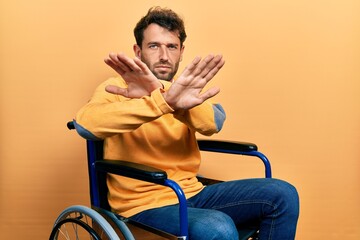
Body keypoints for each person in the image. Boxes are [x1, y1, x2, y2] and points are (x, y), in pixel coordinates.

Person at [74, 6, 299, 239]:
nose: (164, 55)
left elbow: (214, 123)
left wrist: (176, 101)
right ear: (138, 51)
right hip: (143, 203)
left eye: (171, 47)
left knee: (283, 194)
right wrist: (160, 102)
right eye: (154, 46)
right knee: (217, 227)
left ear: (181, 52)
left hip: (192, 192)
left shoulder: (183, 89)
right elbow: (85, 124)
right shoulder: (117, 87)